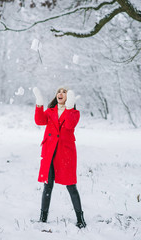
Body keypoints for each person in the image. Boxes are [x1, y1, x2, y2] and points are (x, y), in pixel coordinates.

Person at [33, 86, 86, 229]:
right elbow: (39, 121)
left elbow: (69, 125)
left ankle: (80, 219)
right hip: (49, 152)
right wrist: (39, 103)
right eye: (58, 91)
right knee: (47, 186)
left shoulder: (74, 113)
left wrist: (69, 108)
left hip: (65, 153)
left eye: (64, 92)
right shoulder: (50, 112)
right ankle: (43, 218)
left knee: (71, 186)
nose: (60, 94)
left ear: (69, 98)